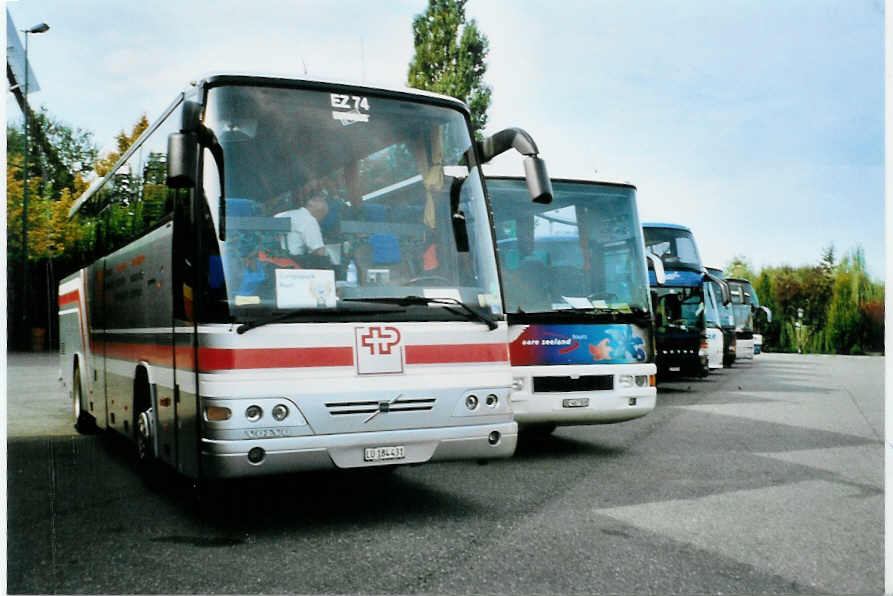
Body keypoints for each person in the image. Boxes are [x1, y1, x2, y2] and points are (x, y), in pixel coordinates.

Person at [275, 190, 329, 257]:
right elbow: (319, 251)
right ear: (319, 213)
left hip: (270, 259)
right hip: (292, 262)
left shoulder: (281, 215)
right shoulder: (309, 220)